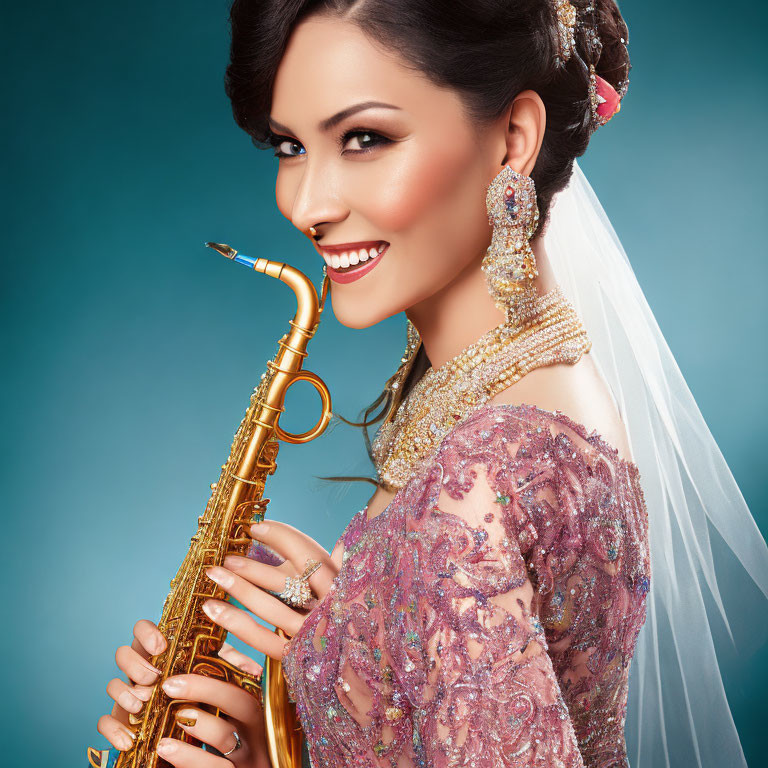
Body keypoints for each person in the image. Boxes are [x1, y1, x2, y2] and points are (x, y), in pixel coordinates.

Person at [90, 1, 768, 767]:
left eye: (365, 139)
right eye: (288, 146)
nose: (307, 206)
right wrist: (287, 723)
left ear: (513, 139)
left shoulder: (484, 471)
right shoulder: (524, 391)